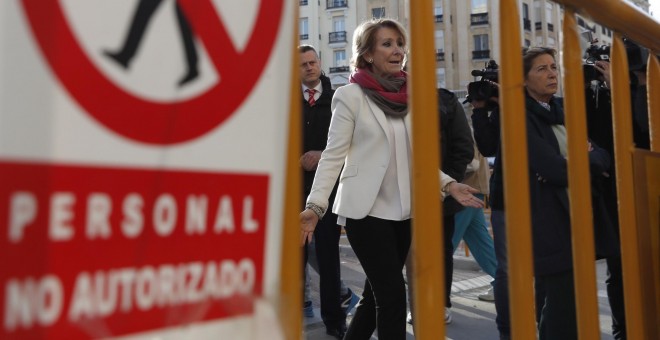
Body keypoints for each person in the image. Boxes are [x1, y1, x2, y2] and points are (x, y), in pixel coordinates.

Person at [299, 18, 483, 340]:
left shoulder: (415, 95)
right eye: (387, 44)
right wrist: (315, 207)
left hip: (404, 211)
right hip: (365, 212)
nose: (397, 50)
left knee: (375, 297)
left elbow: (418, 160)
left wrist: (448, 184)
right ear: (368, 53)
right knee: (393, 296)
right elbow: (332, 156)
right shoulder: (350, 95)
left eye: (399, 43)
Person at [522, 47, 611, 340]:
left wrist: (579, 161)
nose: (551, 74)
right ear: (523, 80)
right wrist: (583, 161)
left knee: (568, 305)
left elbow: (602, 156)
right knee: (561, 310)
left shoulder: (562, 111)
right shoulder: (522, 118)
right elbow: (554, 170)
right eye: (541, 69)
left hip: (578, 220)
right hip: (549, 221)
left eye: (553, 67)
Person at [298, 44, 357, 339]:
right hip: (294, 190)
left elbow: (351, 145)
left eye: (312, 62)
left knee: (327, 256)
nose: (309, 67)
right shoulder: (287, 104)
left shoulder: (338, 100)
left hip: (329, 192)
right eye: (303, 64)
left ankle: (335, 321)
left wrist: (322, 155)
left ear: (320, 64)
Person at [406, 87, 475, 326]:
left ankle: (440, 303)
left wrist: (447, 184)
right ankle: (415, 303)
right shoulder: (385, 97)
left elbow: (463, 145)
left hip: (441, 195)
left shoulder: (444, 99)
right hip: (402, 193)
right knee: (405, 252)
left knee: (440, 251)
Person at [471, 82, 512, 340]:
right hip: (501, 195)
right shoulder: (491, 113)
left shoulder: (530, 106)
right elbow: (488, 147)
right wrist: (479, 110)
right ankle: (508, 330)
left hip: (535, 194)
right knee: (501, 261)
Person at [451, 142, 497, 302]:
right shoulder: (467, 129)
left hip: (464, 190)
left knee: (447, 242)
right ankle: (505, 282)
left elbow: (471, 162)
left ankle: (435, 292)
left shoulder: (458, 125)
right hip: (473, 188)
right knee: (480, 241)